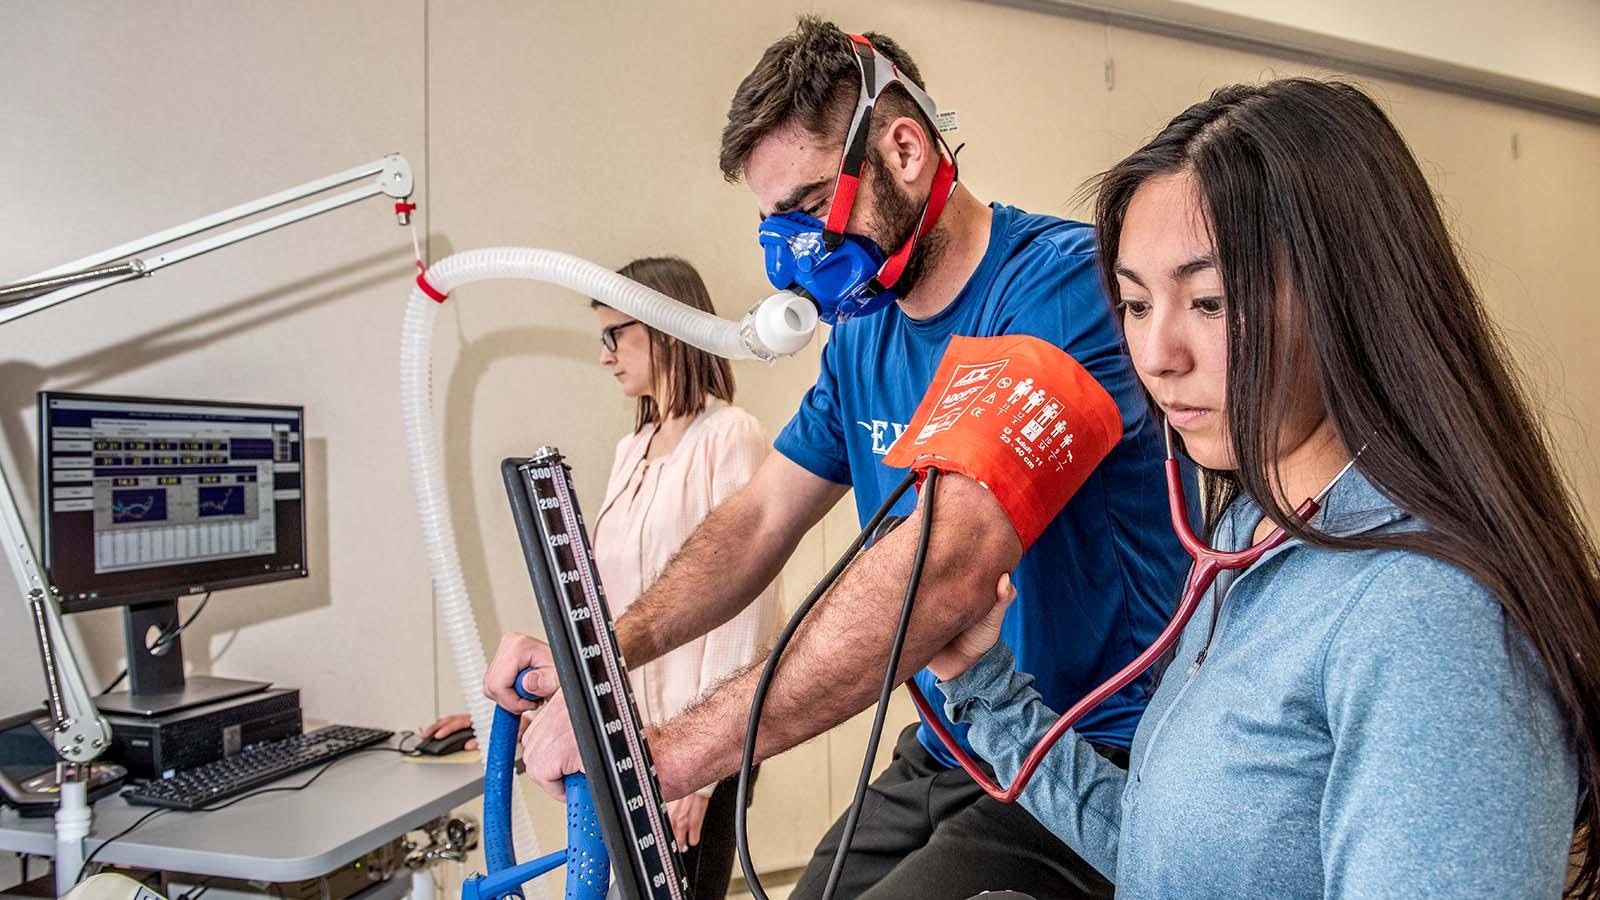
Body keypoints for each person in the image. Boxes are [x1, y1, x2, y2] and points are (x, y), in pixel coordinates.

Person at [486, 18, 1190, 900]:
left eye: (809, 207)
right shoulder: (863, 339)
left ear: (904, 150)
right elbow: (759, 520)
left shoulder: (1058, 291)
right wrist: (603, 651)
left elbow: (937, 577)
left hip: (1084, 751)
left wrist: (661, 756)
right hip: (949, 740)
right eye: (772, 220)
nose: (792, 249)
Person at [929, 79, 1600, 899]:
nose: (1158, 353)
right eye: (1136, 305)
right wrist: (983, 688)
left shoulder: (1429, 620)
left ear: (1349, 295)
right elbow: (1171, 859)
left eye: (1208, 301)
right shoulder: (1250, 529)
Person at [424, 256, 781, 900]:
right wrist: (529, 712)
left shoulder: (729, 435)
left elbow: (742, 612)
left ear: (666, 329)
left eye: (616, 334)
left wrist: (698, 772)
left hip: (694, 746)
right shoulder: (632, 450)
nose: (605, 355)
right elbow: (608, 610)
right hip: (623, 743)